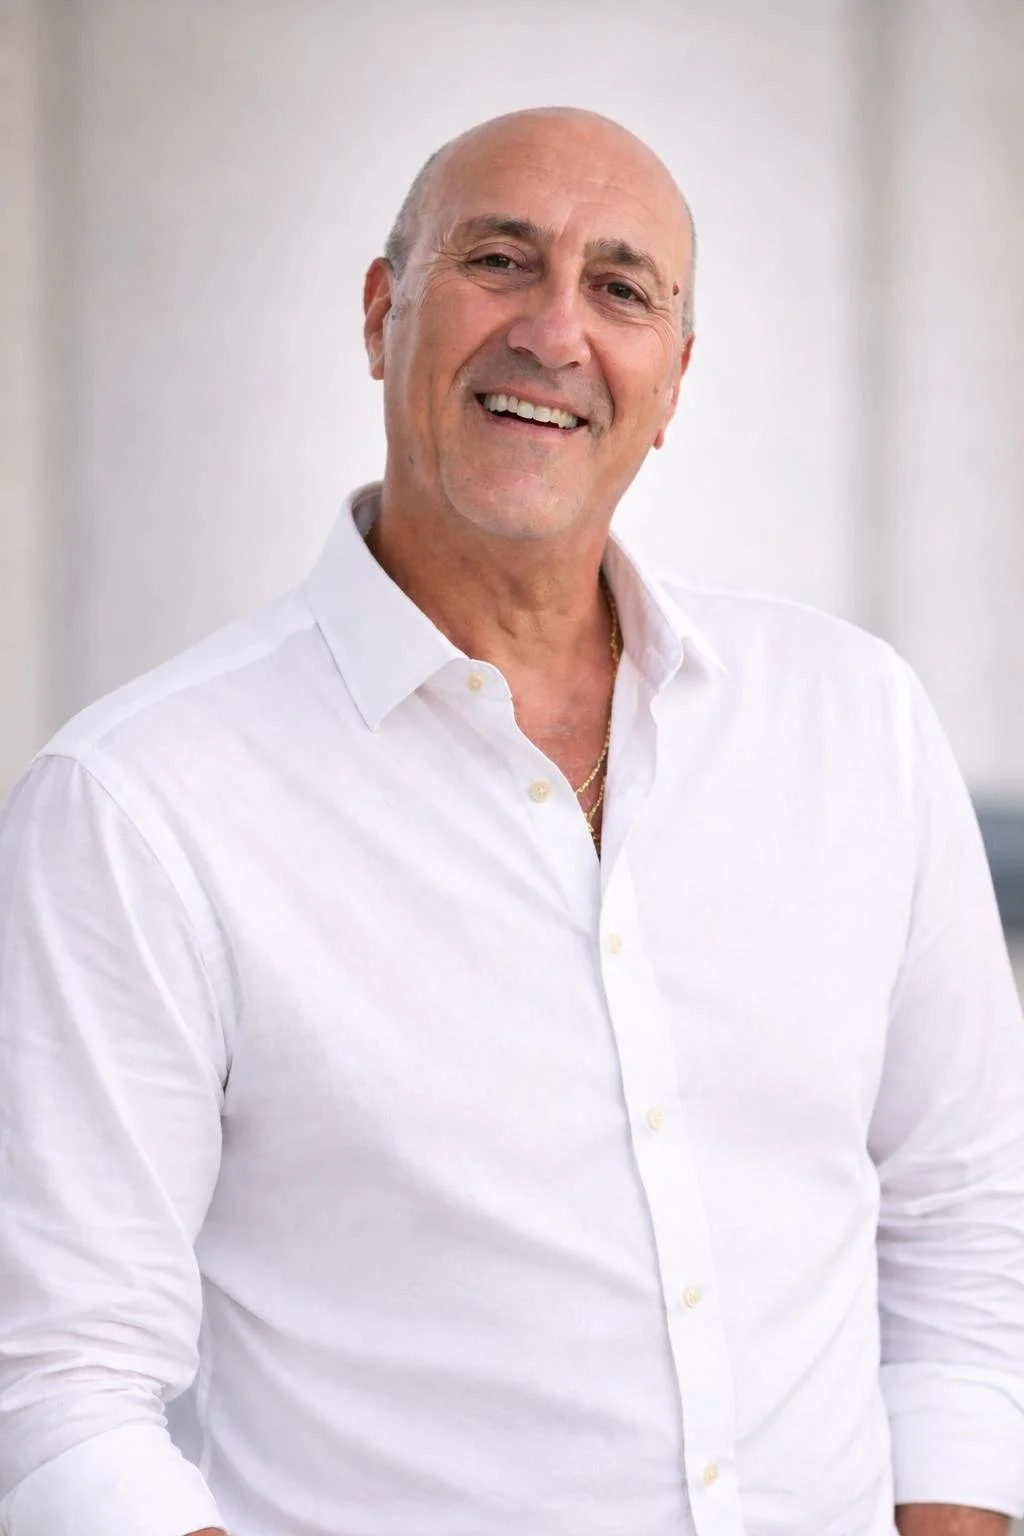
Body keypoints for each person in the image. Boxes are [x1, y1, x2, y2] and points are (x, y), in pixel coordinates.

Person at [0, 105, 1022, 1536]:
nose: (555, 332)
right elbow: (61, 1394)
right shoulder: (139, 804)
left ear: (673, 380)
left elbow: (967, 1234)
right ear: (382, 315)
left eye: (621, 289)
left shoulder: (857, 724)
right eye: (498, 260)